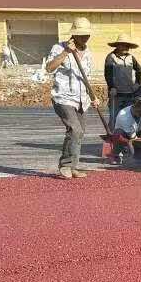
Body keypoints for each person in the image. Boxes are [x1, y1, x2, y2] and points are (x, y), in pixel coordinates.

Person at [45, 16, 99, 179]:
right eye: (81, 34)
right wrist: (66, 52)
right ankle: (65, 165)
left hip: (82, 99)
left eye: (87, 34)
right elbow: (49, 67)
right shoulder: (59, 47)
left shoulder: (88, 53)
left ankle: (73, 166)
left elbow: (86, 78)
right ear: (74, 34)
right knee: (74, 129)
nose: (85, 37)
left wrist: (93, 96)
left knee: (80, 132)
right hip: (64, 97)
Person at [104, 33, 141, 128]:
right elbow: (108, 73)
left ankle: (126, 138)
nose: (127, 47)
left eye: (128, 45)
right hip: (116, 94)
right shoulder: (111, 57)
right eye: (124, 45)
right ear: (118, 45)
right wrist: (111, 87)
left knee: (129, 117)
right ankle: (112, 137)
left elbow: (139, 70)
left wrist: (137, 83)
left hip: (130, 93)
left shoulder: (131, 58)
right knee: (114, 118)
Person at [109, 95, 141, 165]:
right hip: (125, 135)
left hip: (138, 131)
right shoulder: (123, 117)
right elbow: (133, 139)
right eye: (139, 111)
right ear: (133, 107)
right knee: (118, 133)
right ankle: (116, 156)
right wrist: (137, 155)